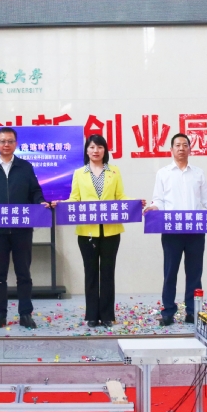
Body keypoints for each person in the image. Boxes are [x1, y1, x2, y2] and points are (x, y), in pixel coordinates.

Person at [144, 133, 207, 327]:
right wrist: (153, 208)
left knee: (194, 273)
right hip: (171, 230)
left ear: (190, 149)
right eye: (177, 145)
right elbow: (158, 200)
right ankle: (168, 311)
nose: (181, 148)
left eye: (185, 145)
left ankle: (193, 311)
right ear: (171, 149)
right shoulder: (163, 173)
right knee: (170, 272)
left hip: (195, 230)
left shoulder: (198, 173)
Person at [56, 134, 141, 328]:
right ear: (87, 150)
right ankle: (92, 315)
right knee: (91, 273)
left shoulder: (114, 171)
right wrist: (60, 204)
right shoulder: (79, 173)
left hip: (111, 231)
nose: (96, 150)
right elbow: (75, 198)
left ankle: (108, 315)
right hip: (87, 232)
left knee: (108, 273)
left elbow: (120, 196)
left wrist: (135, 203)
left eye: (100, 147)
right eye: (92, 147)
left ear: (105, 150)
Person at [0, 127, 50, 329]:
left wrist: (41, 203)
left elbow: (35, 192)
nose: (6, 145)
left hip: (22, 229)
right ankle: (0, 314)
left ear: (16, 144)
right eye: (2, 141)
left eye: (10, 141)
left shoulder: (25, 167)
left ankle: (25, 314)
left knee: (24, 274)